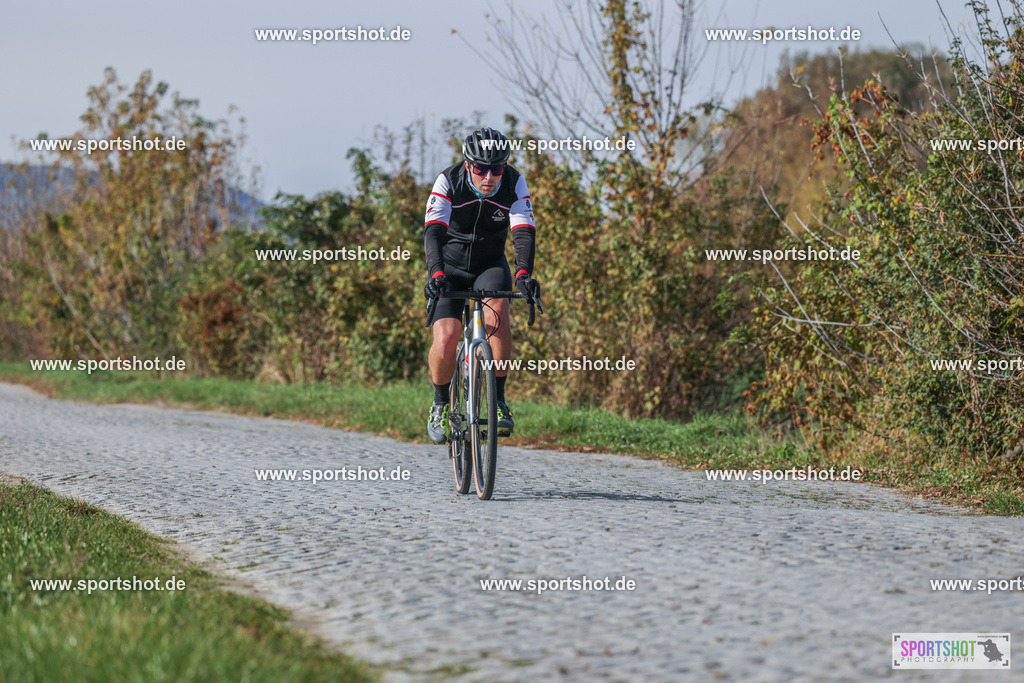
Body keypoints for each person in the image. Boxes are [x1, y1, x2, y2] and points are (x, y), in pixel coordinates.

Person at [422, 126, 540, 444]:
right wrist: (436, 274)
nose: (489, 177)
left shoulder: (514, 182)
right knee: (446, 339)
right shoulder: (448, 181)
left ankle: (498, 401)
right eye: (480, 168)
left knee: (496, 314)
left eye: (496, 168)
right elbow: (433, 232)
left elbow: (524, 231)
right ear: (467, 164)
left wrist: (524, 274)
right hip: (450, 267)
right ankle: (440, 404)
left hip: (489, 265)